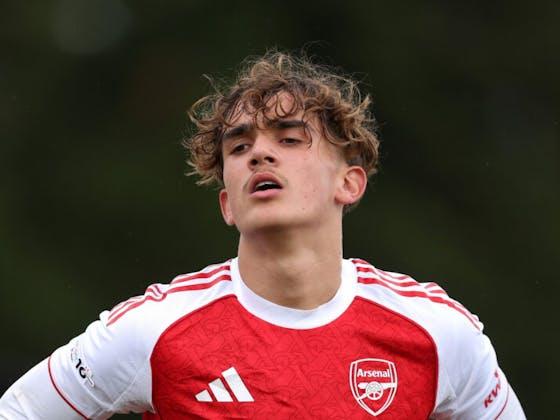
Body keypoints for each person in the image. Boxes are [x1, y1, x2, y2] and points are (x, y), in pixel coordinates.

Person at [0, 51, 525, 419]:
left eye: (289, 139)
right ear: (227, 204)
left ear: (349, 183)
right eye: (239, 147)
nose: (259, 154)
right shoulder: (153, 331)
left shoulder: (436, 332)